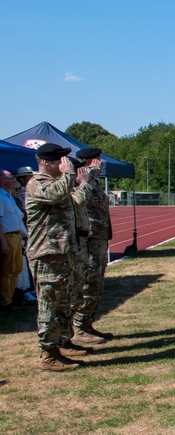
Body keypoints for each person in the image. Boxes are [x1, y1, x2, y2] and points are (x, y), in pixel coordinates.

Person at [25, 143, 82, 371]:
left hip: (61, 253)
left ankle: (57, 347)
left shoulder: (58, 183)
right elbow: (56, 195)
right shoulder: (37, 184)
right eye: (60, 160)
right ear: (47, 162)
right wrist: (69, 174)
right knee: (49, 304)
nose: (64, 163)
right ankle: (47, 353)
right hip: (47, 254)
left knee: (61, 303)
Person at [71, 148, 114, 344]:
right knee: (88, 283)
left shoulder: (92, 181)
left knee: (96, 284)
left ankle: (87, 324)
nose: (100, 164)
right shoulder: (78, 179)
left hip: (98, 238)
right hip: (87, 238)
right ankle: (79, 327)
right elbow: (80, 201)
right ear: (89, 161)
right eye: (97, 160)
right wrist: (91, 173)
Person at [1, 170, 25, 311]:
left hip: (16, 236)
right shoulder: (0, 197)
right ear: (2, 180)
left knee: (16, 269)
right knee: (7, 270)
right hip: (7, 236)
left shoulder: (8, 196)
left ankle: (10, 298)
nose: (13, 181)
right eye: (10, 178)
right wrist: (3, 242)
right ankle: (5, 302)